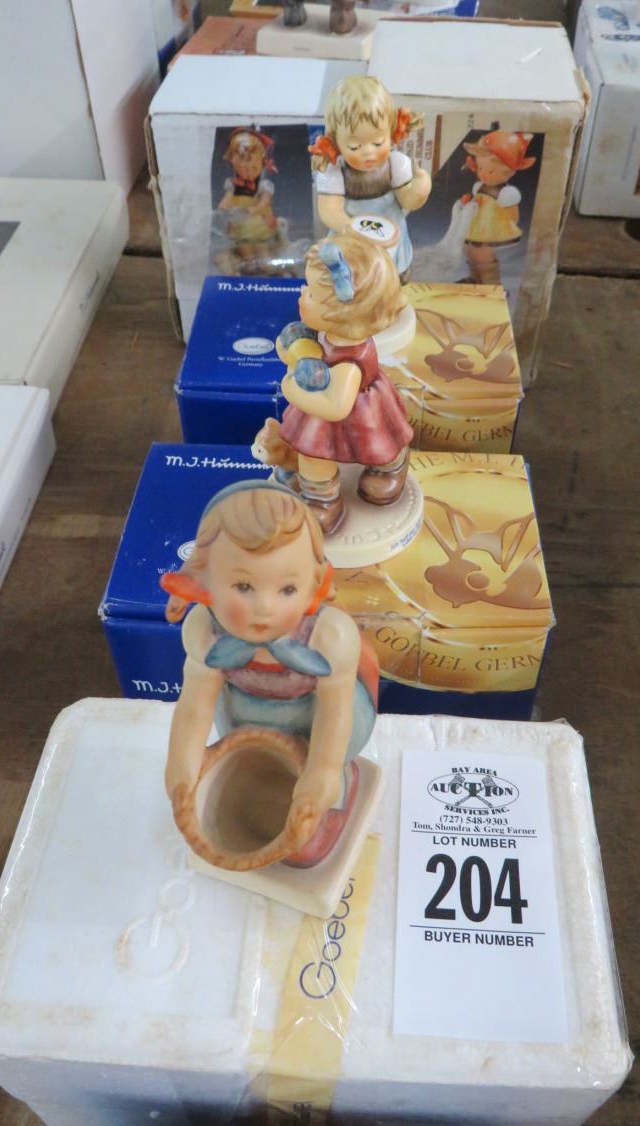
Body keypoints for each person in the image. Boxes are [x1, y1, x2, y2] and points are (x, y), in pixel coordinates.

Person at [162, 480, 378, 869]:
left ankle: (339, 784)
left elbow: (336, 711)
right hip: (244, 719)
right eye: (243, 586)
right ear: (205, 580)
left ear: (314, 582)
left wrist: (324, 771)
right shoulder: (204, 630)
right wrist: (182, 764)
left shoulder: (329, 635)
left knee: (305, 837)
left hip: (317, 724)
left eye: (287, 589)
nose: (264, 607)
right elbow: (194, 707)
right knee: (216, 795)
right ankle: (249, 772)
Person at [257, 232, 414, 534]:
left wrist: (291, 387)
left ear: (344, 315)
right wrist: (292, 350)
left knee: (377, 444)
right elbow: (302, 352)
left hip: (356, 411)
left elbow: (336, 406)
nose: (302, 294)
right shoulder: (326, 331)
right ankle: (318, 493)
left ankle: (387, 469)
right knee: (312, 454)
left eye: (312, 295)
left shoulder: (350, 361)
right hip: (320, 409)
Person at [309, 75, 430, 281]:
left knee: (392, 278)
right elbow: (329, 210)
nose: (368, 152)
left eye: (378, 143)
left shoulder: (395, 164)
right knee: (355, 278)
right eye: (354, 146)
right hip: (352, 236)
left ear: (391, 132)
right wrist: (351, 228)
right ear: (336, 142)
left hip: (391, 237)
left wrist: (420, 188)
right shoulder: (335, 173)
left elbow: (408, 201)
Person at [459, 130, 536, 285]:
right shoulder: (478, 187)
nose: (483, 174)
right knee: (470, 252)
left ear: (509, 171)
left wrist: (502, 227)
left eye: (490, 171)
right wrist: (468, 204)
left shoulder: (506, 193)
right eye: (480, 169)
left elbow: (512, 216)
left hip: (492, 231)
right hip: (476, 228)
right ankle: (474, 278)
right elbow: (476, 205)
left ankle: (491, 283)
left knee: (484, 256)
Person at [216, 128, 284, 274]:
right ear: (233, 163)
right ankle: (248, 264)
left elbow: (265, 202)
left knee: (261, 247)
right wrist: (223, 207)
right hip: (240, 224)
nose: (248, 171)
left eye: (253, 167)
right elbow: (227, 199)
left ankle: (266, 264)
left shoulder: (263, 185)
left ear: (263, 162)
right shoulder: (233, 185)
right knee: (244, 246)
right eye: (242, 167)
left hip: (258, 222)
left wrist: (255, 209)